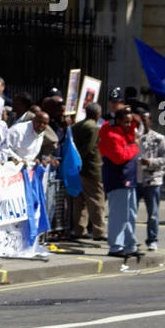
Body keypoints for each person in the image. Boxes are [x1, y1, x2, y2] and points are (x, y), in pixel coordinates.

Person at [99, 107, 140, 257]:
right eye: (126, 122)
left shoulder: (125, 133)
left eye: (131, 122)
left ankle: (130, 245)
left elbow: (134, 127)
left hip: (128, 179)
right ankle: (116, 246)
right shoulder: (111, 135)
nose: (130, 125)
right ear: (118, 121)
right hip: (118, 180)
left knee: (130, 214)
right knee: (119, 215)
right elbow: (120, 157)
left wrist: (134, 119)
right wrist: (134, 147)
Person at [70, 103, 106, 241]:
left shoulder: (77, 126)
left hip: (78, 169)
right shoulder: (93, 128)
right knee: (96, 200)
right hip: (92, 168)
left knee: (80, 201)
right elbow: (89, 148)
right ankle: (99, 231)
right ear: (98, 114)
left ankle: (79, 229)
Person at [135, 110, 165, 252]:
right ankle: (131, 238)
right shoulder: (134, 137)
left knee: (153, 213)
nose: (143, 122)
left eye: (145, 120)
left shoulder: (158, 138)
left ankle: (152, 240)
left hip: (152, 180)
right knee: (131, 212)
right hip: (136, 179)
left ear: (151, 121)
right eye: (140, 120)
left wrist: (151, 162)